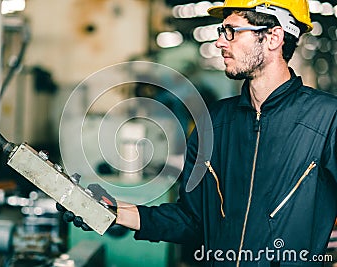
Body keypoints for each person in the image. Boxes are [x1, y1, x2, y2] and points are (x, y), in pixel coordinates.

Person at [58, 0, 337, 266]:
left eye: (231, 32)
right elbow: (193, 220)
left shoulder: (327, 119)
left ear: (274, 37)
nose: (219, 42)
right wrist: (115, 211)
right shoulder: (213, 123)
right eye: (220, 31)